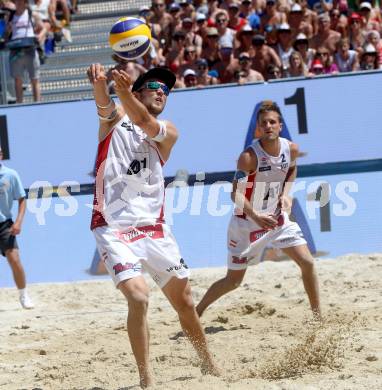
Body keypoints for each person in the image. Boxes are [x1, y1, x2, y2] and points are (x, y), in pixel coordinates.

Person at [87, 64, 219, 387]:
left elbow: (145, 122)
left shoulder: (167, 131)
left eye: (166, 90)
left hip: (154, 229)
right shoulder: (114, 120)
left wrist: (122, 92)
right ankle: (147, 379)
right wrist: (101, 82)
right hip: (113, 228)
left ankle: (208, 363)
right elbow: (104, 104)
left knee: (185, 302)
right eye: (155, 86)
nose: (162, 91)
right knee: (139, 297)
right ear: (136, 92)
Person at [196, 101, 321, 320]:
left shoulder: (291, 148)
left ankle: (318, 318)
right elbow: (235, 194)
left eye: (273, 122)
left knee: (308, 262)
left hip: (276, 219)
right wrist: (256, 215)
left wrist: (286, 193)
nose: (269, 126)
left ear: (280, 126)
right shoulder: (249, 157)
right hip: (246, 224)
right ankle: (196, 312)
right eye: (264, 123)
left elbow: (292, 170)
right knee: (233, 281)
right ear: (258, 128)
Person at [0, 147, 33, 309]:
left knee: (14, 259)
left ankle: (23, 295)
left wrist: (18, 222)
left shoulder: (11, 175)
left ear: (1, 155)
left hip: (4, 224)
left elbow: (22, 199)